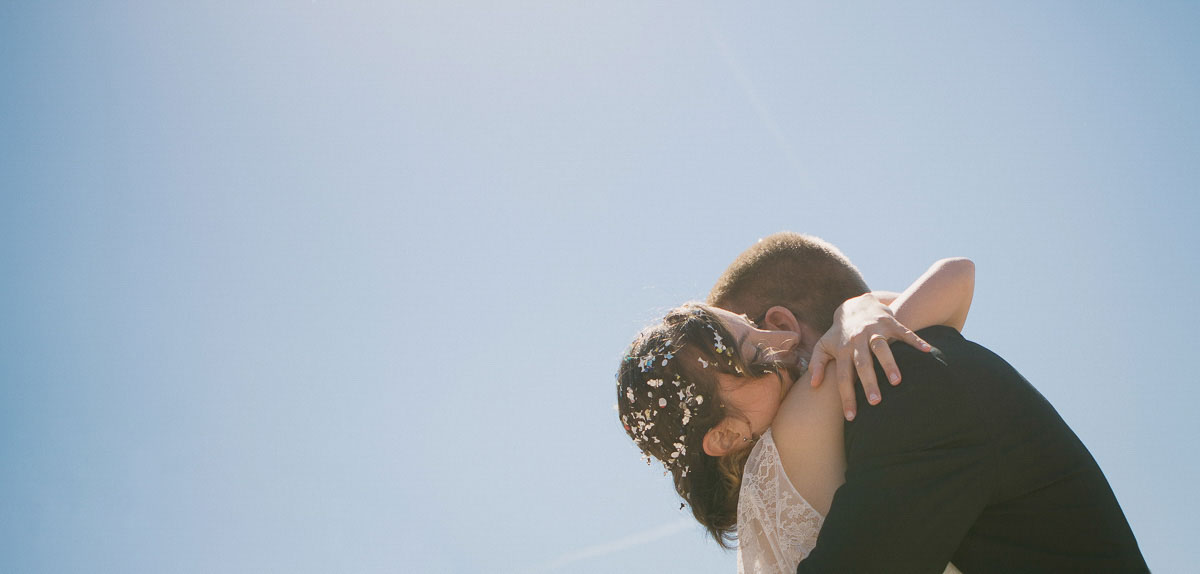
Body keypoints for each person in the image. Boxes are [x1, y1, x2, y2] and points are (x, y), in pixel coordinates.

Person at [619, 233, 1148, 573]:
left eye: (763, 334)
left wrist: (858, 310)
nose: (775, 350)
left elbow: (955, 274)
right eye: (752, 354)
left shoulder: (894, 381)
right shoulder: (831, 418)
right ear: (722, 438)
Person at [618, 248, 973, 573]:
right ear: (725, 435)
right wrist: (855, 311)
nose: (784, 340)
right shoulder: (803, 413)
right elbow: (958, 276)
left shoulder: (756, 528)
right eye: (757, 354)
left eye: (757, 329)